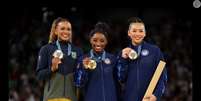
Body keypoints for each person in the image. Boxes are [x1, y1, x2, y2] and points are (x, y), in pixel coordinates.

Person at [116, 17, 167, 101]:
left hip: (149, 98)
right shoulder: (123, 53)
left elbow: (163, 76)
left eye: (141, 31)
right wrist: (123, 60)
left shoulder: (155, 51)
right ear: (129, 33)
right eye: (134, 31)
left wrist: (156, 95)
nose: (137, 34)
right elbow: (121, 78)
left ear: (145, 33)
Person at [36, 17, 83, 101]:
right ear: (56, 31)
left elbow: (80, 79)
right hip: (51, 98)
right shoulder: (46, 49)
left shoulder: (78, 51)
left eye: (68, 29)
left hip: (71, 98)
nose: (66, 32)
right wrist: (52, 69)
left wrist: (84, 70)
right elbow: (39, 75)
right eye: (62, 29)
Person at [74, 22, 118, 101]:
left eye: (102, 41)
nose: (98, 43)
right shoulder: (83, 59)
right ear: (90, 40)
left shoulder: (112, 59)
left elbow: (119, 81)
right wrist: (83, 69)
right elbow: (78, 83)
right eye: (95, 40)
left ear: (106, 42)